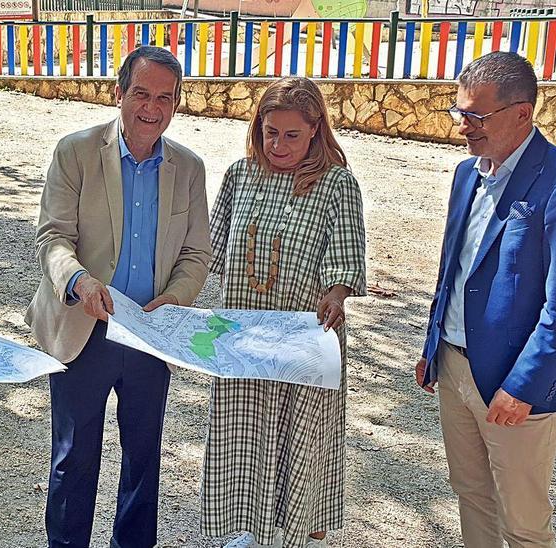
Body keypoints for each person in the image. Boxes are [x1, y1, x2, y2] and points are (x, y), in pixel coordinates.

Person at [415, 51, 556, 548]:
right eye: (460, 113)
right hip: (454, 368)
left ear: (523, 113)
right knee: (471, 495)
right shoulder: (466, 174)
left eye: (477, 116)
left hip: (514, 386)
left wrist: (524, 385)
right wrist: (433, 344)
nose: (463, 127)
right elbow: (453, 270)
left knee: (523, 522)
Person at [26, 46, 212, 548]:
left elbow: (196, 253)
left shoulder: (189, 169)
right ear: (118, 93)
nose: (151, 108)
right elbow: (53, 238)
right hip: (82, 327)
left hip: (150, 333)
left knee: (143, 459)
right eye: (141, 93)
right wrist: (80, 281)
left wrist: (174, 300)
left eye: (165, 98)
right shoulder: (76, 151)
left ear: (177, 104)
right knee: (73, 458)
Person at [202, 77, 367, 548]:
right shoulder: (240, 174)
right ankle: (241, 531)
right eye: (270, 132)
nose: (278, 144)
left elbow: (345, 258)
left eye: (292, 135)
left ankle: (297, 531)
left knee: (301, 437)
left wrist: (336, 294)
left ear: (315, 129)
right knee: (241, 432)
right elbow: (211, 251)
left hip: (305, 337)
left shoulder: (337, 184)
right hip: (244, 337)